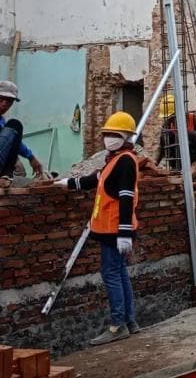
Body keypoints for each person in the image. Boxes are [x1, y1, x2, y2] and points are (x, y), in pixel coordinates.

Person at [55, 112, 140, 345]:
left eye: (114, 134)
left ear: (125, 137)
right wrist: (70, 183)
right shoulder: (115, 159)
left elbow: (126, 196)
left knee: (112, 274)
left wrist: (123, 232)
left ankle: (117, 325)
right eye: (106, 134)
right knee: (119, 273)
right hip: (111, 229)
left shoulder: (124, 161)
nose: (108, 138)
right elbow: (97, 180)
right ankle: (129, 322)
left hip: (115, 229)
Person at [155, 95, 196, 174]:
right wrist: (155, 163)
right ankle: (176, 168)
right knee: (167, 135)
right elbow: (162, 147)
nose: (169, 119)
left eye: (171, 116)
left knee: (191, 134)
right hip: (176, 161)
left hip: (194, 159)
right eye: (167, 117)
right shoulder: (167, 125)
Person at [0, 81, 44, 177]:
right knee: (15, 125)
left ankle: (6, 176)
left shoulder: (2, 122)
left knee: (20, 171)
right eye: (1, 99)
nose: (4, 104)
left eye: (9, 101)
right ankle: (6, 174)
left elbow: (9, 141)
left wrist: (31, 157)